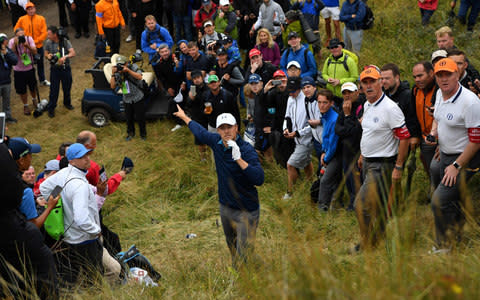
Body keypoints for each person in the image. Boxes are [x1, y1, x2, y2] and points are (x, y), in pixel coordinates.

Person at [174, 107, 264, 267]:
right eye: (222, 128)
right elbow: (200, 132)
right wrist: (184, 117)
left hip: (247, 211)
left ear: (236, 127)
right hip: (226, 208)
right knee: (232, 247)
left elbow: (259, 179)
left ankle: (249, 280)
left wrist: (239, 159)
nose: (226, 131)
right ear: (218, 131)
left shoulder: (247, 150)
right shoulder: (216, 142)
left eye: (229, 127)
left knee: (244, 253)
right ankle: (238, 273)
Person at [427, 58, 480, 252]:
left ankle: (443, 246)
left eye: (448, 74)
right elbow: (440, 120)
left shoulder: (470, 102)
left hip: (465, 158)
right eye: (439, 75)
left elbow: (476, 141)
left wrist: (456, 166)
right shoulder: (440, 94)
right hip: (446, 154)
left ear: (457, 74)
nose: (443, 79)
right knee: (452, 200)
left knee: (439, 200)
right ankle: (458, 239)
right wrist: (436, 136)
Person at [354, 67, 410, 251]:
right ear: (361, 86)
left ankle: (367, 244)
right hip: (369, 162)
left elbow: (404, 137)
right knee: (376, 206)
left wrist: (399, 166)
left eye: (372, 82)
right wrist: (363, 154)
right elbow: (370, 132)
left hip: (382, 164)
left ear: (381, 83)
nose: (369, 86)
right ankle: (378, 239)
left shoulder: (390, 108)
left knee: (361, 205)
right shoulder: (368, 104)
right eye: (365, 82)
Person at [2, 137, 58, 300]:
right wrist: (49, 207)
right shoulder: (24, 191)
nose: (32, 159)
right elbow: (34, 225)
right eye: (30, 156)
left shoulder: (9, 182)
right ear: (21, 160)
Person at [40, 143, 103, 286]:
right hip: (86, 240)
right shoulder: (79, 185)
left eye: (87, 155)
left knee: (74, 280)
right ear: (72, 161)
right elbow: (81, 219)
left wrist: (58, 200)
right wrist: (97, 231)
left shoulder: (63, 174)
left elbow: (44, 187)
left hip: (69, 238)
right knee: (94, 282)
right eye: (82, 157)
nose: (87, 159)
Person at [283, 76, 314, 200]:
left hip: (307, 139)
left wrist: (298, 133)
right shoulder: (290, 99)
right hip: (297, 138)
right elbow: (287, 116)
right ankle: (312, 185)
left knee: (290, 164)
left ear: (299, 89)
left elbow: (312, 124)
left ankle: (290, 192)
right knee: (306, 162)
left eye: (293, 91)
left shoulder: (307, 100)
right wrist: (285, 128)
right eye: (289, 91)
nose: (291, 93)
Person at [335, 82, 363, 211]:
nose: (347, 95)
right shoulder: (344, 107)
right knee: (348, 179)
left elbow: (356, 132)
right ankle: (352, 202)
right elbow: (338, 129)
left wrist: (347, 117)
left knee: (356, 178)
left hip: (358, 150)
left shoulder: (361, 107)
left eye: (350, 92)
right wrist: (347, 118)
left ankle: (357, 204)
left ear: (357, 92)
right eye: (344, 93)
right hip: (346, 150)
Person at [411, 61, 437, 194]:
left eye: (420, 76)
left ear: (431, 73)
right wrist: (415, 135)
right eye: (415, 77)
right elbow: (413, 115)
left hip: (440, 139)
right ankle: (435, 191)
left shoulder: (440, 90)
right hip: (424, 138)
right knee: (430, 169)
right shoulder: (415, 91)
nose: (417, 80)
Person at [316, 88, 342, 211]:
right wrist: (323, 151)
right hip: (327, 153)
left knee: (325, 180)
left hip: (336, 155)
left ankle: (322, 208)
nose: (321, 105)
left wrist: (326, 158)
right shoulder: (325, 116)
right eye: (319, 102)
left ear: (331, 103)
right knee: (334, 180)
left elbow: (333, 143)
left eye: (324, 102)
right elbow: (325, 138)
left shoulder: (334, 118)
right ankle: (335, 205)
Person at [110, 55, 146, 140]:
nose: (121, 66)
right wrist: (113, 74)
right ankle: (130, 133)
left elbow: (140, 76)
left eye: (123, 64)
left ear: (126, 63)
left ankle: (143, 134)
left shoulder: (133, 66)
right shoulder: (118, 71)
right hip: (127, 98)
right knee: (128, 118)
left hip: (137, 96)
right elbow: (112, 86)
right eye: (119, 64)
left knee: (140, 117)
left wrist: (128, 71)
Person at [14, 2, 49, 86]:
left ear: (35, 8)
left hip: (38, 47)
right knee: (26, 64)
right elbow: (16, 29)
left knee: (40, 64)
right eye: (28, 9)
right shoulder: (21, 19)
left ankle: (42, 79)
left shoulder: (41, 18)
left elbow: (44, 33)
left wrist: (34, 42)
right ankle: (30, 81)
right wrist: (22, 37)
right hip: (25, 47)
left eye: (32, 8)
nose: (30, 10)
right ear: (26, 10)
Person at [44, 26, 76, 118]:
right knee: (54, 90)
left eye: (49, 34)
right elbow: (45, 53)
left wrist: (65, 57)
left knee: (67, 87)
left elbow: (73, 53)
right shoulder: (48, 42)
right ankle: (51, 108)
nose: (48, 36)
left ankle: (67, 103)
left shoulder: (64, 41)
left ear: (55, 34)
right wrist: (48, 56)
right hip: (54, 69)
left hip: (65, 68)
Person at [9, 28, 38, 116]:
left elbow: (35, 52)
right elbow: (10, 55)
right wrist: (15, 44)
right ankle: (25, 105)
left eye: (23, 35)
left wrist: (27, 46)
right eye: (19, 36)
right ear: (15, 36)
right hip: (18, 70)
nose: (22, 37)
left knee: (32, 87)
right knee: (22, 90)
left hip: (29, 68)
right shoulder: (11, 41)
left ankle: (34, 100)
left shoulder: (29, 39)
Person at [187, 70, 210, 160]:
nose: (196, 80)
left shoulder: (208, 87)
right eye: (194, 79)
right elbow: (188, 104)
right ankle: (203, 157)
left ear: (202, 77)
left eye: (198, 78)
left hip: (208, 117)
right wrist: (190, 98)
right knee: (199, 139)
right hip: (197, 118)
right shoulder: (192, 88)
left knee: (210, 137)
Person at [0, 32, 18, 123]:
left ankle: (7, 117)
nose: (3, 43)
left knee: (6, 101)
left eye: (4, 41)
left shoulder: (8, 50)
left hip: (6, 81)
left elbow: (15, 61)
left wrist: (6, 53)